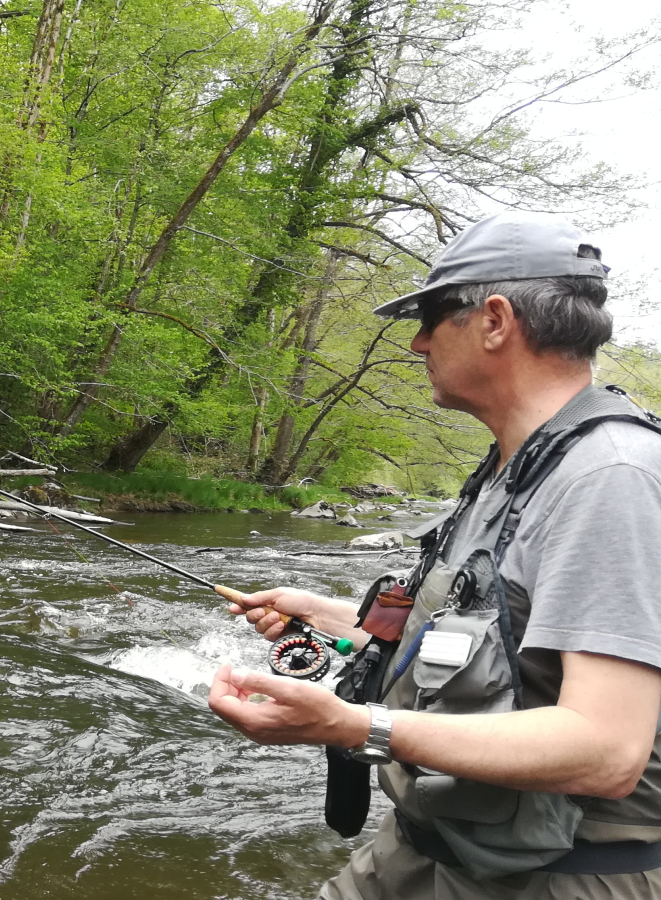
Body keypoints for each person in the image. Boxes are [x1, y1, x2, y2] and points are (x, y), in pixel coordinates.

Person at [207, 210, 661, 898]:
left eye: (430, 317)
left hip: (554, 878)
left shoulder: (610, 478)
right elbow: (477, 640)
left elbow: (605, 750)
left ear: (496, 320)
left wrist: (358, 725)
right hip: (430, 850)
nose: (416, 343)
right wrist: (325, 614)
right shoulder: (516, 467)